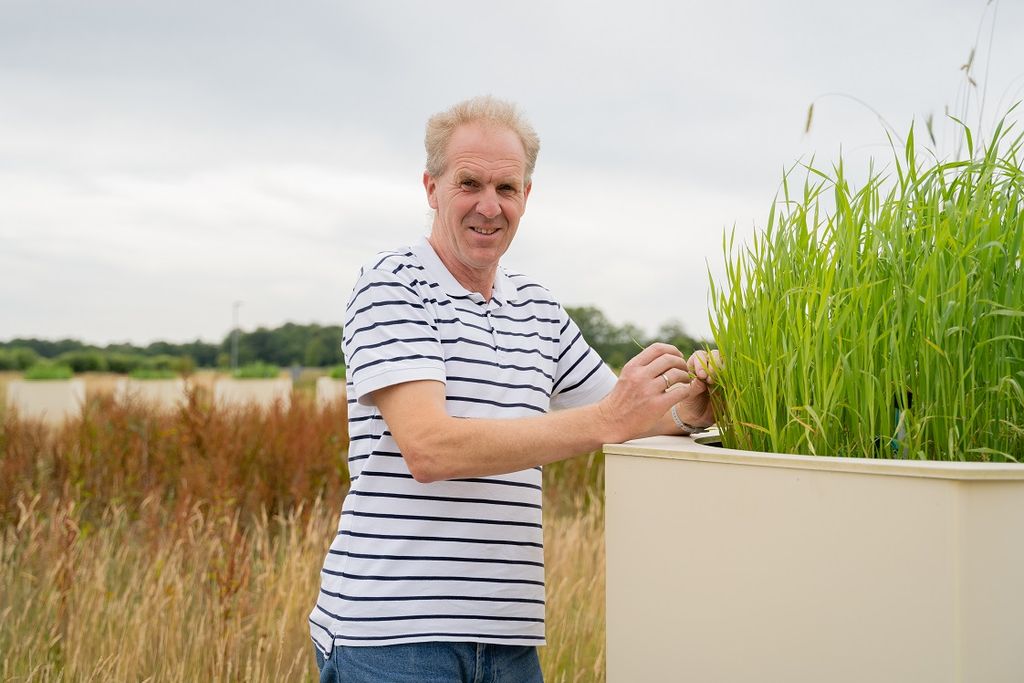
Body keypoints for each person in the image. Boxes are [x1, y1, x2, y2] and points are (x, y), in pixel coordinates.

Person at [309, 95, 716, 683]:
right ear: (431, 187)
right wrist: (611, 420)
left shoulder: (538, 308)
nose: (488, 205)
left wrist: (693, 406)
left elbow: (629, 415)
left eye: (507, 188)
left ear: (528, 196)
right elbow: (430, 448)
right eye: (469, 183)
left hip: (508, 639)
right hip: (394, 637)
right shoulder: (392, 284)